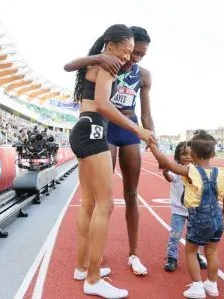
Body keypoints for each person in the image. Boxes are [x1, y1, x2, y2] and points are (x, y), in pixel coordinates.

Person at [69, 24, 156, 298]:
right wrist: (138, 129)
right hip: (96, 131)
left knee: (87, 204)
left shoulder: (95, 63)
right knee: (104, 206)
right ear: (111, 45)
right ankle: (93, 280)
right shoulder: (107, 66)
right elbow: (105, 105)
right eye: (127, 51)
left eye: (134, 53)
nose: (129, 57)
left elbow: (71, 65)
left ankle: (82, 267)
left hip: (83, 129)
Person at [149, 131, 224, 298]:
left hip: (199, 218)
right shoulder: (221, 174)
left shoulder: (191, 171)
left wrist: (152, 146)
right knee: (212, 252)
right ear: (213, 154)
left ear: (192, 154)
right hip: (217, 218)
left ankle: (197, 286)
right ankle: (212, 284)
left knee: (191, 252)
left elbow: (167, 164)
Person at [161, 142, 208, 272]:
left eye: (191, 154)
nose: (188, 157)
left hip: (194, 210)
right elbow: (170, 179)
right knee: (175, 234)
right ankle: (172, 258)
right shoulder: (177, 169)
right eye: (184, 154)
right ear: (178, 156)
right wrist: (165, 172)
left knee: (195, 235)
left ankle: (197, 255)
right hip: (178, 210)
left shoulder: (198, 170)